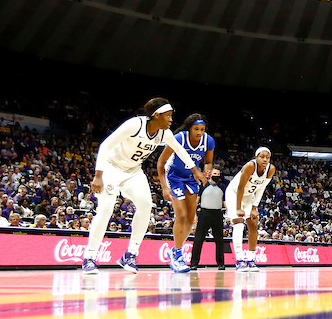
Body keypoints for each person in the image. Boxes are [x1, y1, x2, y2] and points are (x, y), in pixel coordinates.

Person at [82, 99, 203, 275]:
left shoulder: (164, 133)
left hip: (133, 171)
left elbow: (179, 149)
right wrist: (98, 175)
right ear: (156, 115)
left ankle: (130, 255)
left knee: (146, 206)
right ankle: (90, 257)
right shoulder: (135, 124)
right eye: (168, 116)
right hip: (111, 168)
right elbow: (106, 145)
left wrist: (194, 169)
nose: (171, 120)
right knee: (106, 210)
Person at [157, 114, 215, 270]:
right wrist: (164, 187)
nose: (199, 132)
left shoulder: (208, 141)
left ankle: (175, 250)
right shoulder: (179, 138)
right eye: (196, 129)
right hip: (173, 176)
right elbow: (161, 162)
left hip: (191, 177)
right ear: (189, 128)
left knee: (191, 218)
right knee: (181, 215)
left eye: (202, 129)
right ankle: (177, 254)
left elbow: (208, 162)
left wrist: (207, 172)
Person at [226, 147, 276, 272]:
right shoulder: (250, 166)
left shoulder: (271, 169)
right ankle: (239, 260)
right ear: (256, 157)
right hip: (234, 193)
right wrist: (238, 208)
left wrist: (254, 207)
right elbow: (240, 187)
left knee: (253, 225)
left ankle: (251, 259)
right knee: (239, 223)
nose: (265, 159)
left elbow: (261, 188)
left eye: (267, 157)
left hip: (248, 196)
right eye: (261, 156)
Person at [190, 172, 228, 270]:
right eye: (215, 173)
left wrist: (229, 210)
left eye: (218, 174)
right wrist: (194, 214)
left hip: (217, 214)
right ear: (210, 174)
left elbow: (224, 201)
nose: (217, 175)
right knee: (198, 239)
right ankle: (194, 263)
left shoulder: (222, 186)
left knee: (219, 240)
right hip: (204, 213)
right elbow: (196, 200)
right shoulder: (204, 185)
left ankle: (220, 263)